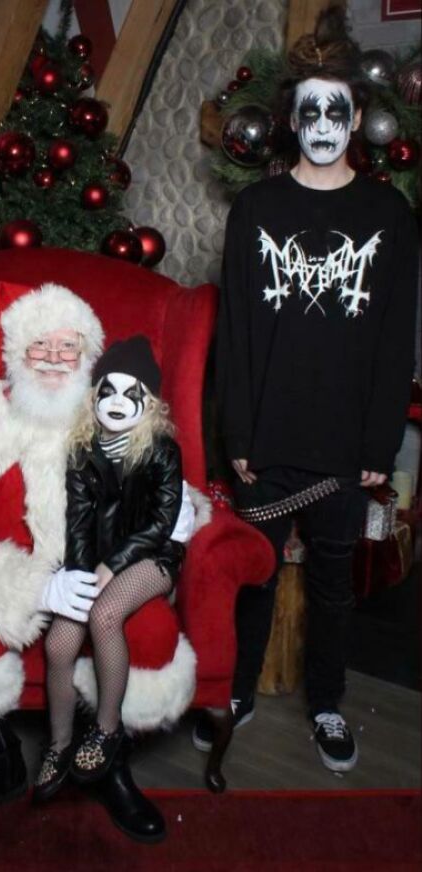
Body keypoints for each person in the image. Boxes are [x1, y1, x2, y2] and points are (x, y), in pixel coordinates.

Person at [0, 283, 203, 841]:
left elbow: (160, 496)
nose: (55, 359)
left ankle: (107, 759)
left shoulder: (112, 416)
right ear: (14, 353)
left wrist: (111, 569)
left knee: (152, 631)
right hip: (3, 579)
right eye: (40, 345)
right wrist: (35, 590)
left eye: (69, 346)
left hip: (102, 574)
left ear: (88, 355)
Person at [203, 7, 419, 773]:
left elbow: (395, 341)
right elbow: (234, 333)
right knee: (254, 577)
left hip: (345, 442)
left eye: (337, 111)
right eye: (309, 112)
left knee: (332, 585)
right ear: (291, 121)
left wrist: (379, 441)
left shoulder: (388, 214)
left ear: (357, 118)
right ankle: (236, 692)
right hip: (267, 436)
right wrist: (236, 435)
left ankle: (327, 703)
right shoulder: (256, 211)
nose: (323, 125)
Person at [34, 336, 191, 818]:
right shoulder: (82, 450)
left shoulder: (162, 451)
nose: (118, 401)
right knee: (59, 643)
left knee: (104, 616)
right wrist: (81, 573)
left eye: (132, 392)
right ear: (94, 395)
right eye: (109, 389)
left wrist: (112, 566)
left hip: (152, 557)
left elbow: (161, 523)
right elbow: (78, 523)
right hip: (97, 558)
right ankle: (60, 744)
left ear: (151, 402)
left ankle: (106, 730)